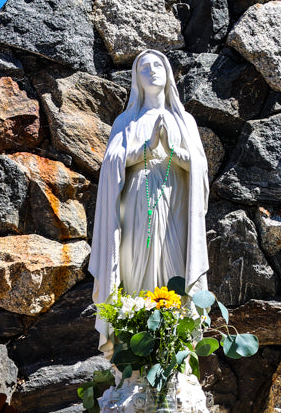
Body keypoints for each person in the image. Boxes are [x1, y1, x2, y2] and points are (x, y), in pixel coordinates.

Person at [89, 49, 210, 355]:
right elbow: (112, 163)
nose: (152, 70)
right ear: (136, 79)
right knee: (132, 272)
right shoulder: (126, 120)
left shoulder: (185, 121)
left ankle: (173, 345)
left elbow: (199, 168)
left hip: (174, 204)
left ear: (168, 73)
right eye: (144, 67)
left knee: (173, 267)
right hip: (135, 206)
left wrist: (170, 148)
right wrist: (146, 148)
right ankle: (135, 348)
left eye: (158, 65)